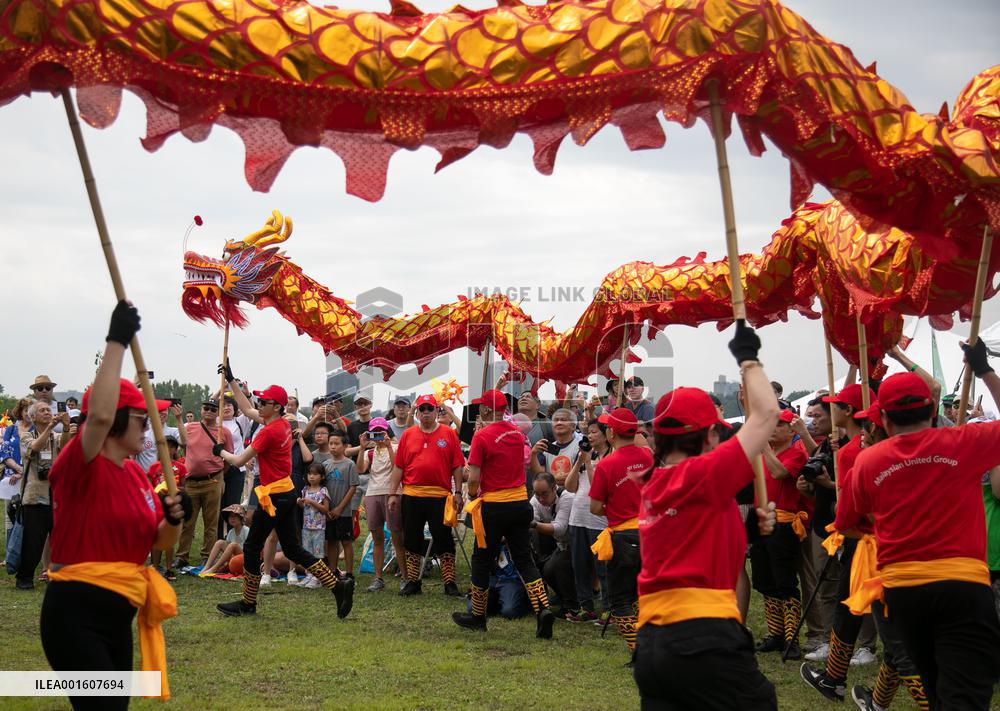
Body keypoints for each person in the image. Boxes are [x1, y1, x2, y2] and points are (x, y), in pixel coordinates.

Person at [831, 340, 1000, 710]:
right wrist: (984, 370)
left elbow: (845, 523)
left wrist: (881, 527)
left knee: (939, 690)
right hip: (963, 586)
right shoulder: (963, 442)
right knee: (965, 696)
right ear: (934, 407)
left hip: (904, 592)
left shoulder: (868, 461)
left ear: (885, 420)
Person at [40, 301, 187, 708]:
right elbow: (98, 417)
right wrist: (117, 341)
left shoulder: (137, 475)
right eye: (143, 418)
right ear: (117, 420)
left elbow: (159, 541)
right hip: (76, 615)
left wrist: (176, 517)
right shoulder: (80, 463)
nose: (150, 426)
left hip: (118, 616)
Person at [632, 320, 778, 708]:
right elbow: (765, 415)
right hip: (703, 637)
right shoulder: (704, 475)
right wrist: (749, 358)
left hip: (652, 643)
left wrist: (753, 522)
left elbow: (702, 521)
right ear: (711, 435)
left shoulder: (653, 486)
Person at [215, 362, 354, 618]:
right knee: (292, 549)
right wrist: (232, 380)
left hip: (275, 497)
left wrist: (219, 451)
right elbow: (245, 407)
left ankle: (247, 603)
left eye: (264, 401)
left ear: (276, 406)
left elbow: (238, 461)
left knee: (251, 547)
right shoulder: (279, 424)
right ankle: (338, 584)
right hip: (286, 493)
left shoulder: (268, 432)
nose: (258, 404)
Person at [452, 389, 555, 638]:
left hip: (495, 506)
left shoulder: (483, 436)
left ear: (486, 410)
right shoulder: (518, 434)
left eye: (481, 408)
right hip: (520, 502)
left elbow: (474, 478)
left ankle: (478, 615)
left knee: (481, 559)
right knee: (524, 559)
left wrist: (474, 496)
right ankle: (543, 610)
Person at [589, 407, 653, 656]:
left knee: (621, 600)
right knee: (645, 593)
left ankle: (640, 651)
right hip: (652, 533)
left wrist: (614, 508)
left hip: (624, 537)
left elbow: (595, 507)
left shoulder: (607, 465)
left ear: (611, 433)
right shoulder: (648, 457)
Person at [389, 394, 465, 597]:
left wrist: (458, 492)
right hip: (412, 494)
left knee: (444, 539)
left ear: (436, 410)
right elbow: (399, 467)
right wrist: (392, 493)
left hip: (440, 495)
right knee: (412, 538)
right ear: (417, 411)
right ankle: (414, 582)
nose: (425, 413)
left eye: (429, 409)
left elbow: (457, 466)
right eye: (421, 409)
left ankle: (449, 583)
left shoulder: (448, 434)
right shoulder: (408, 434)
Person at [749, 408, 808, 659]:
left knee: (785, 581)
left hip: (783, 522)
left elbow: (780, 473)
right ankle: (776, 633)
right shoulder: (763, 454)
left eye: (779, 425)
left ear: (791, 430)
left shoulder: (797, 453)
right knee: (764, 580)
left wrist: (763, 449)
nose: (772, 429)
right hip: (760, 517)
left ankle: (791, 637)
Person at [17, 400, 70, 589]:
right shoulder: (25, 436)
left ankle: (55, 573)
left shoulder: (54, 435)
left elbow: (64, 446)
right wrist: (50, 427)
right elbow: (36, 448)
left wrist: (64, 428)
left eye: (49, 409)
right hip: (34, 496)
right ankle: (24, 578)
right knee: (33, 540)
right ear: (32, 417)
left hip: (55, 496)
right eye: (42, 410)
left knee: (57, 538)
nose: (48, 412)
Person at [174, 398, 232, 568]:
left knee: (211, 522)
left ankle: (207, 555)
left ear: (217, 413)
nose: (209, 411)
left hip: (212, 480)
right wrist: (178, 419)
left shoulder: (224, 432)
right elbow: (183, 443)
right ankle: (182, 556)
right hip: (191, 482)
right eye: (206, 408)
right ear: (201, 410)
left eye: (213, 409)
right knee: (188, 521)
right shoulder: (190, 427)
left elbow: (228, 456)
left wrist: (220, 474)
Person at [564, 417, 610, 621]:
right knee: (579, 565)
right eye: (588, 432)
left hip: (599, 520)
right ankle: (586, 607)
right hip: (577, 517)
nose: (590, 436)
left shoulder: (609, 457)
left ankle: (610, 608)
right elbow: (570, 487)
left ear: (606, 435)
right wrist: (579, 462)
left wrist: (589, 463)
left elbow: (597, 487)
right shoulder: (583, 455)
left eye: (594, 432)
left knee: (603, 568)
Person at [357, 417, 403, 592]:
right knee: (377, 538)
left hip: (393, 493)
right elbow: (360, 469)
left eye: (380, 432)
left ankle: (405, 577)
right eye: (373, 432)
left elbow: (397, 466)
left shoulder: (396, 446)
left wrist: (389, 445)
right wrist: (361, 448)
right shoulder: (370, 451)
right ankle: (378, 578)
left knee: (398, 537)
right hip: (372, 493)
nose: (377, 436)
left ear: (387, 432)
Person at [530, 472, 575, 615]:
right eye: (537, 494)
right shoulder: (535, 500)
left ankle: (572, 605)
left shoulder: (566, 497)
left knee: (559, 566)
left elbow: (560, 529)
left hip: (578, 543)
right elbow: (530, 517)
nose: (541, 498)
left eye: (544, 494)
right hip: (562, 544)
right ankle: (564, 597)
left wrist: (532, 524)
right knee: (547, 570)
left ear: (554, 488)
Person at [322, 429, 359, 578]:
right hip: (328, 512)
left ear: (345, 446)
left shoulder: (349, 464)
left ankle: (349, 573)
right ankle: (333, 571)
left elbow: (353, 487)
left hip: (343, 512)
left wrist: (339, 508)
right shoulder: (325, 465)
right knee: (331, 541)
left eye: (336, 443)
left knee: (346, 541)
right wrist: (327, 509)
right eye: (331, 443)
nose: (333, 447)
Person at [297, 462, 330, 588]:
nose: (312, 477)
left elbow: (325, 509)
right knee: (307, 552)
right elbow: (303, 506)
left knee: (318, 553)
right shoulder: (305, 489)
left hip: (318, 528)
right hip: (306, 527)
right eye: (310, 474)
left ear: (321, 477)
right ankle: (308, 575)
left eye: (315, 474)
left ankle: (318, 577)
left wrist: (312, 502)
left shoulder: (323, 491)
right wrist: (300, 502)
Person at [529, 408, 581, 484]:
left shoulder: (580, 448)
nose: (559, 422)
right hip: (549, 493)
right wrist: (533, 454)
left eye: (563, 420)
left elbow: (577, 477)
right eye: (556, 420)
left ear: (573, 426)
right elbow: (540, 476)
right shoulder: (545, 448)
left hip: (573, 493)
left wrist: (550, 480)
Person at [201, 505, 250, 576]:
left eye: (235, 516)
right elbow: (227, 551)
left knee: (233, 545)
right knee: (219, 542)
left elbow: (249, 550)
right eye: (230, 516)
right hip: (233, 558)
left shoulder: (246, 530)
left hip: (245, 559)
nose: (232, 518)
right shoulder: (231, 532)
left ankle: (214, 568)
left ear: (241, 518)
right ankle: (207, 567)